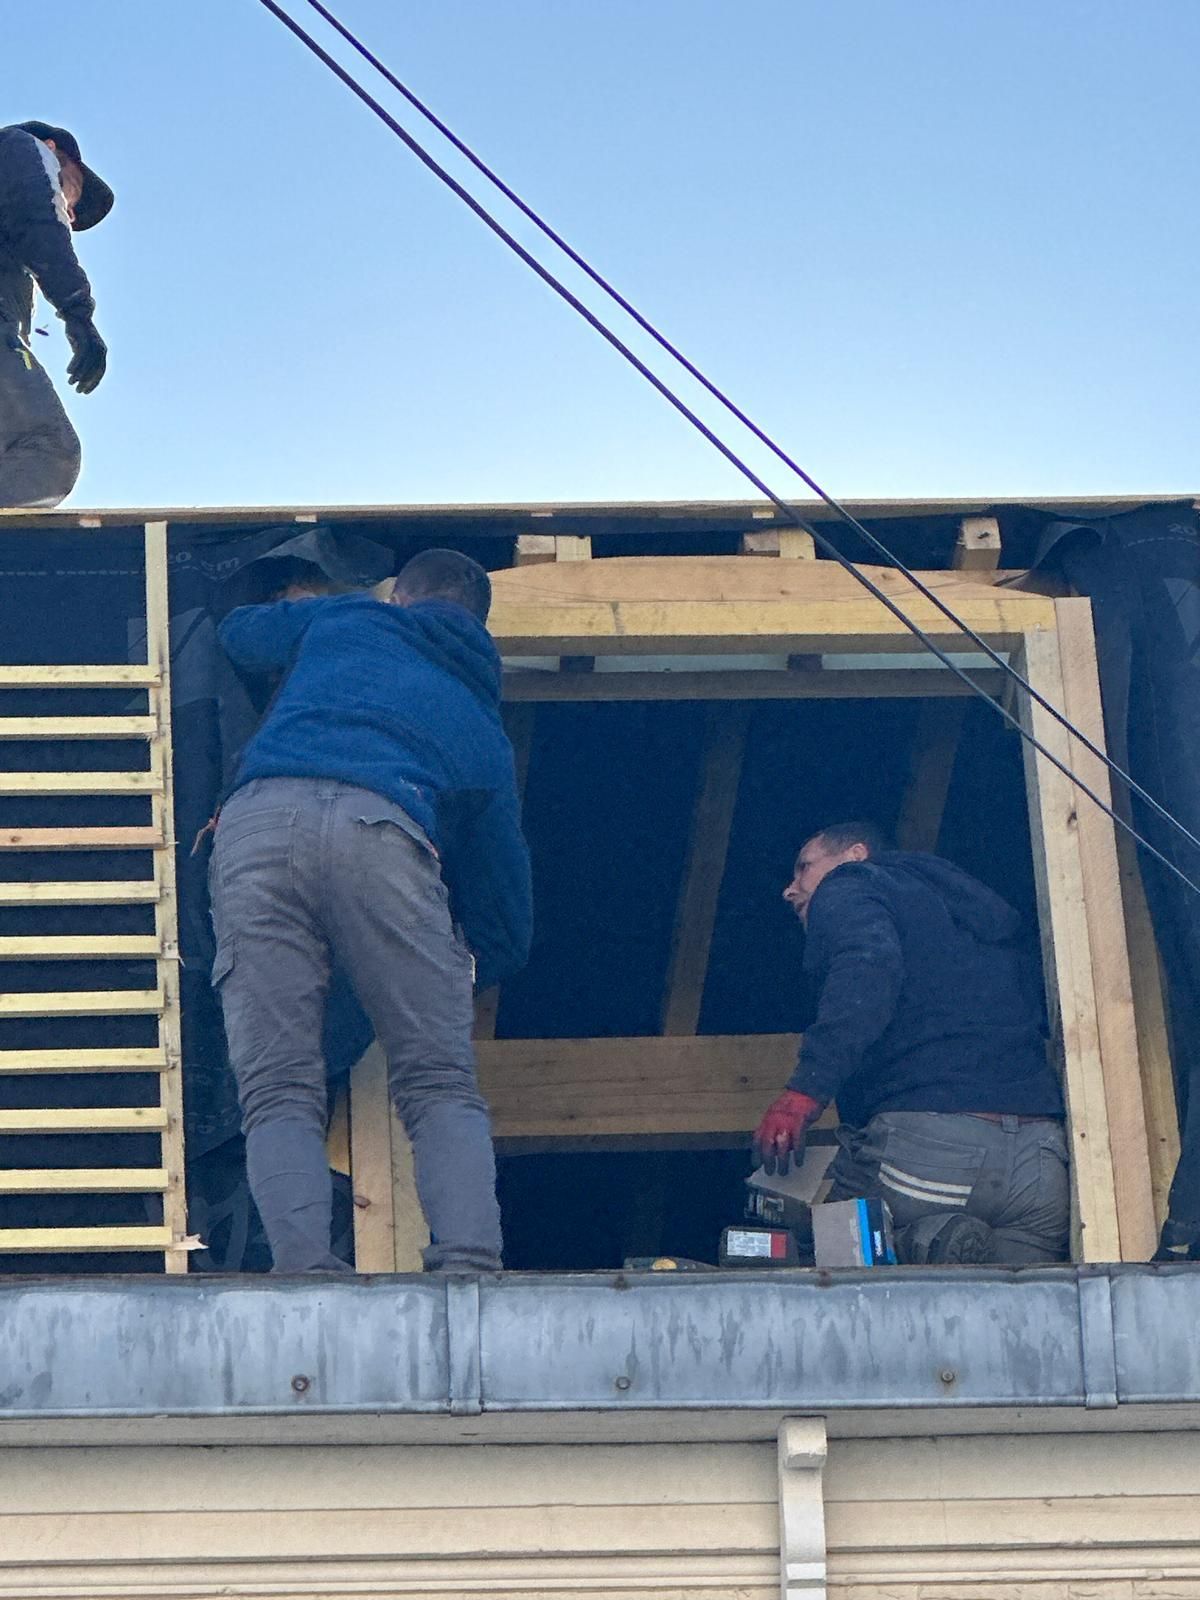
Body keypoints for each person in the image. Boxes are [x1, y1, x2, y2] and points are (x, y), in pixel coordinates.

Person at [210, 549, 532, 1273]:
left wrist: (318, 612)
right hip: (387, 833)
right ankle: (469, 1268)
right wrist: (470, 965)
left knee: (277, 1085)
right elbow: (505, 898)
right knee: (438, 1080)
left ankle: (302, 1267)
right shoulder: (480, 724)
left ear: (401, 597)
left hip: (257, 823)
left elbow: (239, 633)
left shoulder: (348, 617)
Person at [753, 821, 1069, 1264]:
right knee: (1021, 1315)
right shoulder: (980, 922)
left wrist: (803, 1094)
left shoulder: (852, 885)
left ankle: (929, 1239)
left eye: (804, 868)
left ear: (854, 856)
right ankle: (942, 1240)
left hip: (931, 1157)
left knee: (831, 1251)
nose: (791, 889)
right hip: (1039, 1166)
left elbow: (868, 968)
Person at [0, 121, 112, 508]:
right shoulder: (25, 148)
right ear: (52, 150)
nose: (71, 212)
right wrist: (78, 314)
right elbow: (40, 222)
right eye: (72, 189)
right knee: (47, 456)